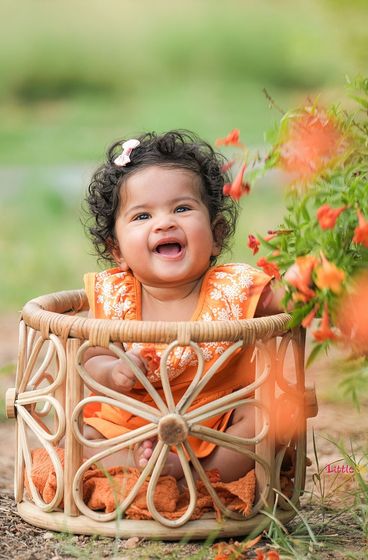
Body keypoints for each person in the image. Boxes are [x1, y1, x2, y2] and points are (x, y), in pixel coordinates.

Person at [82, 130, 283, 483]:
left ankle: (195, 472)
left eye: (182, 208)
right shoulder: (113, 295)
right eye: (142, 216)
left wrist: (305, 281)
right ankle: (138, 466)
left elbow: (282, 302)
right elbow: (88, 356)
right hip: (132, 423)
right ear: (117, 251)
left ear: (217, 235)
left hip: (215, 420)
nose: (164, 222)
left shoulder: (233, 287)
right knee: (84, 435)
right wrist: (113, 371)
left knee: (261, 421)